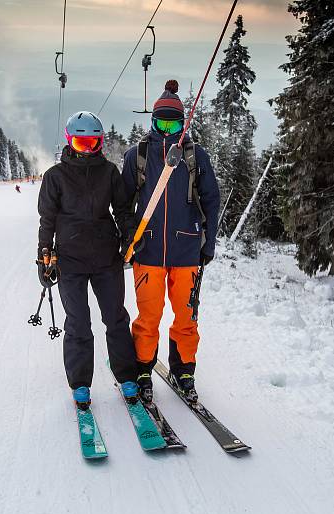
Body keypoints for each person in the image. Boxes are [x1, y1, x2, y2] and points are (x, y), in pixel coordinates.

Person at [121, 80, 221, 403]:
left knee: (186, 317)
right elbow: (123, 202)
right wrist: (127, 237)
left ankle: (184, 371)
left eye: (172, 123)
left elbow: (211, 200)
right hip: (147, 251)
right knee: (148, 317)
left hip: (187, 251)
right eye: (160, 122)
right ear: (152, 120)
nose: (166, 129)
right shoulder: (138, 155)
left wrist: (209, 243)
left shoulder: (195, 157)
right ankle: (143, 370)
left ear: (182, 123)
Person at [37, 111, 140, 409]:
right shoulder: (55, 176)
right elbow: (47, 219)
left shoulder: (108, 172)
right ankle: (80, 383)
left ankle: (127, 377)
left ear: (100, 142)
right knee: (79, 323)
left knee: (116, 318)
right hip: (70, 260)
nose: (88, 149)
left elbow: (121, 209)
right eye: (81, 144)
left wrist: (128, 236)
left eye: (93, 143)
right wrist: (44, 257)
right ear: (70, 142)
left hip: (107, 258)